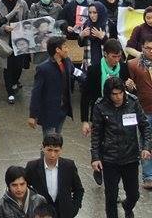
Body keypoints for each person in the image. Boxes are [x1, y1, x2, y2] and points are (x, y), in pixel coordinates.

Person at [90, 76, 152, 218]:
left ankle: (127, 206)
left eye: (120, 93)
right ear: (108, 94)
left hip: (131, 157)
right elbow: (96, 134)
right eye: (114, 94)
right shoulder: (100, 106)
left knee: (134, 195)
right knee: (111, 197)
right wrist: (95, 157)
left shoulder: (133, 102)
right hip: (109, 158)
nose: (118, 97)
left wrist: (146, 147)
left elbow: (145, 126)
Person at [24, 134, 85, 218]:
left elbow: (78, 189)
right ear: (43, 148)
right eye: (49, 150)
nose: (52, 155)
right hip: (41, 214)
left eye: (56, 151)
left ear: (61, 150)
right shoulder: (32, 166)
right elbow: (24, 187)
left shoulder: (69, 166)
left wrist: (74, 208)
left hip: (64, 213)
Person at [29, 37, 76, 137]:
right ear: (57, 50)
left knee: (57, 139)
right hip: (49, 112)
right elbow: (36, 93)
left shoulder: (67, 62)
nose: (67, 49)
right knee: (49, 141)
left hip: (62, 110)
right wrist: (33, 115)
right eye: (65, 47)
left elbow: (75, 72)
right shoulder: (43, 69)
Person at [124, 35, 152, 188]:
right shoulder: (132, 64)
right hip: (144, 110)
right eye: (148, 48)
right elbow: (128, 89)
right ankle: (148, 176)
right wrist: (128, 85)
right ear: (142, 48)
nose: (151, 51)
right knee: (146, 142)